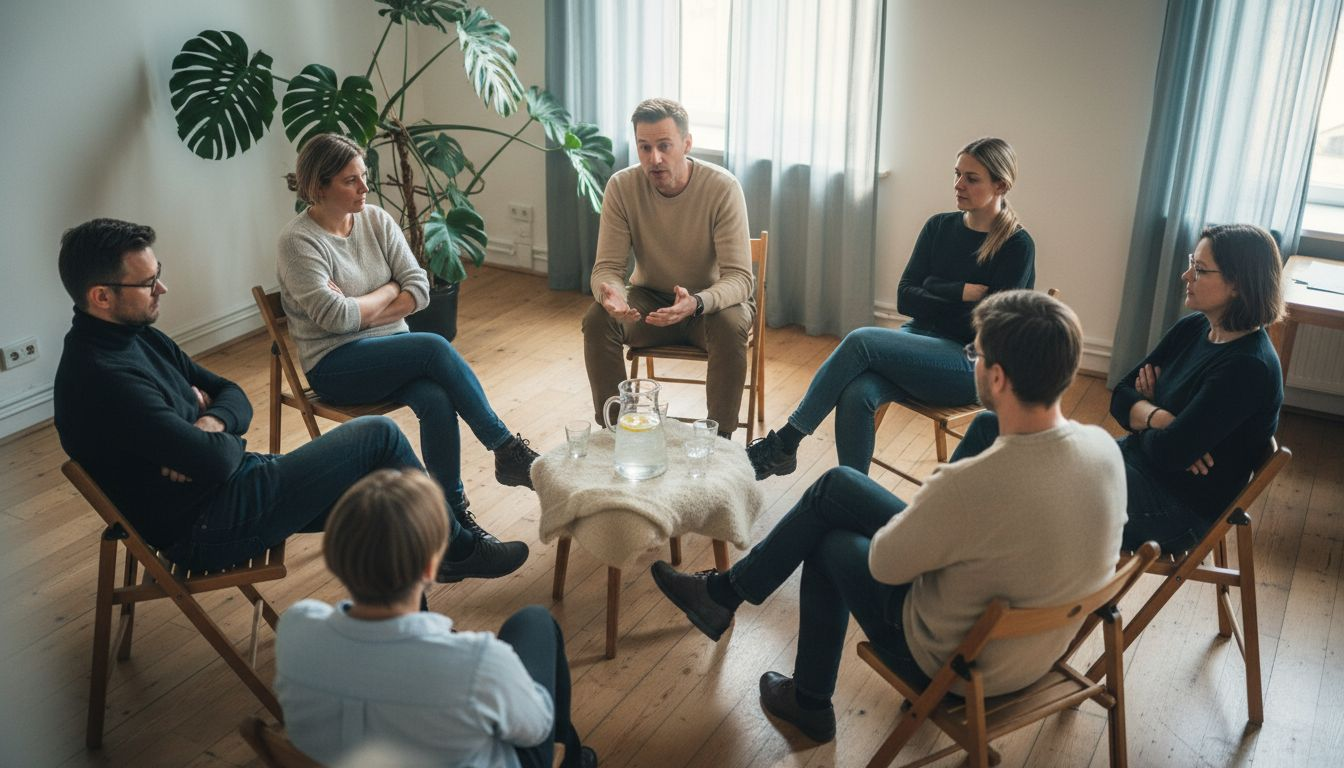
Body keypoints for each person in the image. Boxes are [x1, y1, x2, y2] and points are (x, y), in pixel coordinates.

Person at [651, 290, 1126, 744]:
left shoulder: (974, 485)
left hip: (960, 666)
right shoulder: (1105, 450)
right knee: (842, 487)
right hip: (1041, 653)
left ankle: (802, 689)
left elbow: (885, 565)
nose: (971, 362)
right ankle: (728, 597)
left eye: (974, 356)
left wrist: (931, 515)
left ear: (997, 378)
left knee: (830, 533)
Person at [53, 218, 430, 573]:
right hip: (210, 527)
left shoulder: (139, 334)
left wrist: (211, 420)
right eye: (148, 282)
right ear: (102, 296)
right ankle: (453, 548)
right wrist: (216, 439)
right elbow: (216, 461)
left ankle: (423, 594)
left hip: (238, 486)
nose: (162, 289)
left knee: (388, 497)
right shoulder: (101, 378)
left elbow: (232, 393)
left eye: (158, 274)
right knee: (380, 435)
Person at [277, 132, 535, 582]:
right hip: (336, 366)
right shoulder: (299, 243)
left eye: (365, 178)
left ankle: (451, 529)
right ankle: (505, 449)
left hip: (393, 354)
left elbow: (418, 288)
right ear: (318, 187)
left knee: (435, 399)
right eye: (351, 181)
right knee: (434, 345)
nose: (364, 189)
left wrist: (370, 302)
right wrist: (389, 291)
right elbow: (336, 321)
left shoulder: (375, 220)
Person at [952, 224, 1285, 554]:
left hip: (1170, 508)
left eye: (1199, 270)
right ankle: (947, 537)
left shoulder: (1247, 367)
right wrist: (1160, 418)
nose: (1186, 276)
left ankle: (955, 554)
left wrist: (1151, 420)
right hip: (1126, 463)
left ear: (1238, 284)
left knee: (1029, 483)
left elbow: (1170, 453)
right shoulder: (1195, 327)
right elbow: (1122, 393)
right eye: (1190, 263)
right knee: (989, 427)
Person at [747, 138, 1035, 479]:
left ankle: (786, 442)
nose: (958, 185)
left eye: (971, 178)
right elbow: (905, 298)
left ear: (1000, 184)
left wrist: (931, 290)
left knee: (861, 341)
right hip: (918, 344)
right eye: (957, 174)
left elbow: (989, 330)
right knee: (857, 392)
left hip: (972, 364)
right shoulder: (939, 227)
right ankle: (854, 493)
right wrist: (957, 292)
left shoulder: (1016, 245)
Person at [275, 469, 597, 768]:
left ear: (335, 559)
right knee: (534, 622)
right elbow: (537, 728)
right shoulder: (478, 663)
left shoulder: (295, 629)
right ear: (431, 569)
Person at [582, 98, 754, 436]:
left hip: (709, 306)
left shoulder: (722, 188)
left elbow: (740, 279)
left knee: (731, 323)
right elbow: (606, 268)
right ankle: (616, 434)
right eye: (644, 148)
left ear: (687, 144)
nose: (654, 158)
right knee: (597, 318)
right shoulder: (621, 187)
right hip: (650, 304)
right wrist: (612, 296)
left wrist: (697, 302)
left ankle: (719, 441)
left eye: (664, 146)